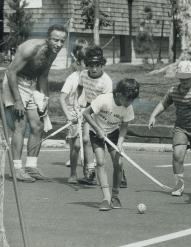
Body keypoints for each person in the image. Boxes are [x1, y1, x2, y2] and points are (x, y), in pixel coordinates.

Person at [2, 24, 67, 182]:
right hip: (14, 83)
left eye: (62, 41)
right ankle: (17, 169)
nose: (58, 44)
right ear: (48, 38)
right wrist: (17, 100)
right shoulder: (30, 48)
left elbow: (43, 75)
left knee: (38, 125)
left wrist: (45, 99)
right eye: (55, 40)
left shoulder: (53, 52)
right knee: (20, 125)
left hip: (31, 85)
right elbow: (11, 72)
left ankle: (31, 167)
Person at [148, 60, 191, 196]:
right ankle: (178, 185)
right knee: (177, 154)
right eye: (181, 77)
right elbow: (163, 104)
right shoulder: (173, 90)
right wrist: (153, 115)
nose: (184, 81)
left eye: (187, 78)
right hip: (181, 128)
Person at [83, 78, 139, 211]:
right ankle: (106, 198)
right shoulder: (104, 100)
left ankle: (115, 195)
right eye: (127, 99)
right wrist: (97, 129)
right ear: (119, 94)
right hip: (96, 133)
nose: (129, 103)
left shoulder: (128, 107)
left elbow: (125, 125)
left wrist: (120, 142)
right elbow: (86, 113)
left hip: (113, 133)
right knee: (101, 162)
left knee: (119, 163)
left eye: (132, 100)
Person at [77, 45, 127, 187]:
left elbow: (108, 102)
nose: (93, 69)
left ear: (102, 64)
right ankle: (90, 172)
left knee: (110, 146)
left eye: (97, 65)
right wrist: (78, 100)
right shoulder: (83, 75)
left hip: (103, 113)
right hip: (89, 109)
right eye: (91, 65)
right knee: (86, 139)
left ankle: (121, 173)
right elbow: (80, 87)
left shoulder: (106, 81)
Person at [60, 39, 91, 184]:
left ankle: (88, 173)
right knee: (76, 145)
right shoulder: (72, 78)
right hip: (73, 115)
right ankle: (73, 173)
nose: (88, 66)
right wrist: (68, 115)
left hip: (89, 115)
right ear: (79, 63)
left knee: (87, 143)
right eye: (86, 63)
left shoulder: (93, 79)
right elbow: (62, 98)